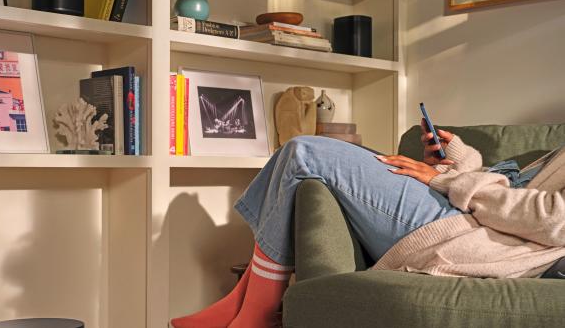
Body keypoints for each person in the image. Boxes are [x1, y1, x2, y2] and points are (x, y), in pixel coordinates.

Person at [171, 120, 565, 328]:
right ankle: (244, 300)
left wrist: (445, 180)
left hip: (479, 235)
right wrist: (455, 159)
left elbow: (552, 219)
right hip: (472, 211)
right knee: (292, 154)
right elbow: (515, 187)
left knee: (305, 151)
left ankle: (255, 310)